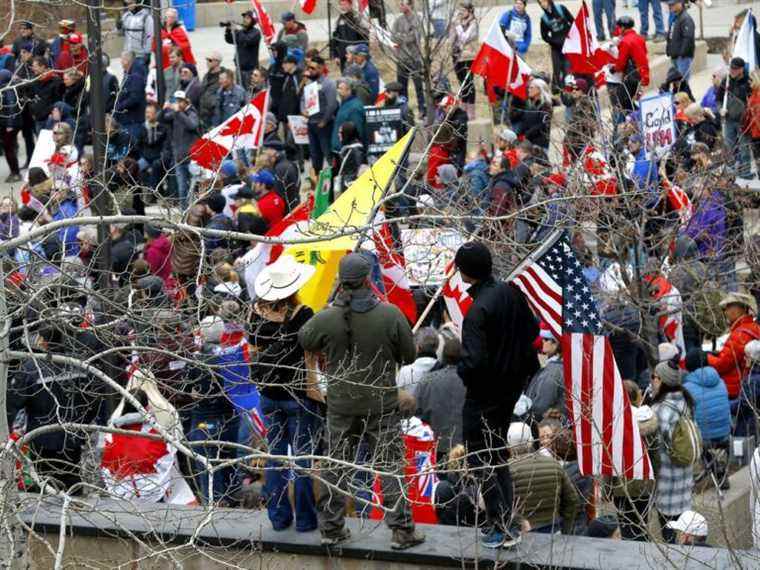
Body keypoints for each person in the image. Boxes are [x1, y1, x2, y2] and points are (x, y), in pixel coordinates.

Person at [299, 253, 424, 550]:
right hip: (381, 404)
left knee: (336, 468)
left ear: (342, 281)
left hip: (341, 406)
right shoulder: (390, 314)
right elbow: (409, 356)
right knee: (390, 467)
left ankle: (331, 529)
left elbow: (305, 339)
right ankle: (402, 532)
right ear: (369, 279)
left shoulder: (328, 317)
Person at [455, 241, 539, 547]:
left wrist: (461, 367)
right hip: (510, 391)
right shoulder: (511, 293)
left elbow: (474, 362)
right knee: (497, 454)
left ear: (464, 273)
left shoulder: (477, 311)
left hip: (484, 396)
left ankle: (501, 526)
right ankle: (508, 518)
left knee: (480, 457)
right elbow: (532, 331)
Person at [250, 255, 319, 531]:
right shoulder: (303, 314)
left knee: (276, 456)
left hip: (268, 395)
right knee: (302, 457)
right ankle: (305, 520)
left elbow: (254, 350)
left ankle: (278, 518)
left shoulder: (253, 315)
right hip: (297, 394)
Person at [650, 360, 694, 544]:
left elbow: (655, 448)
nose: (652, 380)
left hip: (667, 479)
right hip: (685, 473)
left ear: (662, 381)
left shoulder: (659, 410)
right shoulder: (685, 401)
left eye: (655, 377)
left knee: (668, 531)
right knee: (684, 525)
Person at [507, 422, 579, 534]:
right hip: (553, 531)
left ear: (508, 444)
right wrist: (566, 529)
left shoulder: (506, 470)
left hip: (521, 533)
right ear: (531, 441)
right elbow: (572, 500)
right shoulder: (554, 464)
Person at [611, 381, 658, 541]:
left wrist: (606, 488)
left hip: (620, 485)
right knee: (642, 526)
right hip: (644, 481)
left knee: (626, 528)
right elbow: (655, 454)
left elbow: (609, 459)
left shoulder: (614, 422)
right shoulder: (648, 419)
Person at [683, 349, 731, 489]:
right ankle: (718, 468)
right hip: (725, 435)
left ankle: (709, 469)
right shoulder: (720, 381)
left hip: (704, 440)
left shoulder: (687, 388)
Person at [414, 335, 465, 464]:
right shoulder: (474, 381)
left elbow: (416, 415)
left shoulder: (427, 381)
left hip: (435, 448)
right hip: (464, 448)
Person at [159, 90, 200, 209]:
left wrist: (178, 112)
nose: (176, 104)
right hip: (179, 158)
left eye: (179, 101)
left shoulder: (191, 112)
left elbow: (192, 125)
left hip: (193, 158)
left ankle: (194, 212)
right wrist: (164, 109)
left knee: (193, 188)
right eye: (175, 101)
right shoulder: (176, 114)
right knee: (182, 188)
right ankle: (184, 214)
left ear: (185, 101)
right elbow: (162, 120)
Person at [301, 55, 338, 173]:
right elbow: (302, 99)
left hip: (324, 124)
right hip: (311, 123)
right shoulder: (308, 84)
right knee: (315, 155)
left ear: (321, 68)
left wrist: (324, 121)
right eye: (309, 68)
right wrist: (303, 110)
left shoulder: (328, 83)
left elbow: (332, 104)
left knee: (328, 152)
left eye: (313, 68)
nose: (310, 71)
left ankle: (334, 177)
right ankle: (317, 178)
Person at [609, 16, 649, 122]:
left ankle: (641, 119)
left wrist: (614, 69)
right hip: (640, 74)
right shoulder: (639, 38)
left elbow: (621, 63)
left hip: (630, 75)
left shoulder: (625, 41)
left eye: (619, 27)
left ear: (622, 27)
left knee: (624, 103)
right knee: (629, 102)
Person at [717, 57, 752, 179]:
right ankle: (730, 171)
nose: (732, 71)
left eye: (735, 69)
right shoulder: (725, 81)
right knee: (728, 146)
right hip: (729, 119)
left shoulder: (749, 82)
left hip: (743, 121)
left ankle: (745, 172)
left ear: (742, 69)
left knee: (744, 147)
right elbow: (719, 99)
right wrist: (720, 109)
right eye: (731, 68)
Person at [392, 0, 425, 118]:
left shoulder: (417, 19)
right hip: (401, 59)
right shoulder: (397, 21)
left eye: (403, 4)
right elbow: (393, 36)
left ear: (410, 5)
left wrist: (401, 36)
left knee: (418, 86)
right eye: (400, 3)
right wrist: (402, 36)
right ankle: (404, 111)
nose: (400, 6)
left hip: (414, 58)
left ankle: (422, 109)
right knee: (402, 87)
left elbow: (412, 38)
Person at [525, 329, 565, 421]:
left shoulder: (554, 371)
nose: (542, 341)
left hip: (547, 426)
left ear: (556, 343)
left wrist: (522, 415)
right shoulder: (555, 367)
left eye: (547, 339)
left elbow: (541, 406)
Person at [450, 3, 479, 119]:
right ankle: (463, 108)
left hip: (468, 57)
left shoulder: (473, 23)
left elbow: (464, 37)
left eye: (464, 10)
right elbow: (452, 38)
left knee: (469, 83)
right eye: (460, 10)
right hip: (457, 56)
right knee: (462, 83)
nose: (461, 12)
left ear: (470, 11)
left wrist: (457, 26)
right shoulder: (457, 22)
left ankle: (471, 111)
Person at [539, 0, 574, 92]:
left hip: (568, 45)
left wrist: (570, 36)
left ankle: (568, 89)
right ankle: (557, 90)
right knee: (557, 69)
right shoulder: (544, 18)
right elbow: (544, 35)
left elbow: (573, 22)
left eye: (543, 1)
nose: (543, 4)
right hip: (556, 47)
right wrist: (553, 41)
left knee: (567, 68)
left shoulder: (561, 8)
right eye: (540, 3)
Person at [114, 51, 147, 140]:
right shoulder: (130, 75)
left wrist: (118, 107)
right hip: (128, 120)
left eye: (121, 59)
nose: (120, 62)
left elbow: (134, 98)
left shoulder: (135, 76)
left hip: (132, 120)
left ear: (126, 61)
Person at [224, 11, 261, 91]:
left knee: (249, 93)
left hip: (250, 71)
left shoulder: (256, 33)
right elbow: (230, 40)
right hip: (239, 69)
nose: (244, 20)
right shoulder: (241, 32)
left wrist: (237, 30)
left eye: (247, 18)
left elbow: (247, 40)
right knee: (240, 92)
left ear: (253, 21)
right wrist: (228, 30)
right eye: (244, 18)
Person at [397, 327, 439, 393]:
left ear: (417, 347)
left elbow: (395, 397)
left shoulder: (404, 372)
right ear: (436, 347)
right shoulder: (446, 371)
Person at [331, 0, 369, 72]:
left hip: (357, 56)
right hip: (344, 56)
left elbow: (365, 37)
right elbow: (335, 39)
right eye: (341, 5)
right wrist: (336, 55)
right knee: (345, 77)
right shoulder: (338, 20)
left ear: (350, 5)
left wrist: (363, 54)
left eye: (345, 4)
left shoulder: (357, 17)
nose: (342, 7)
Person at [29, 56, 63, 134]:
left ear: (43, 67)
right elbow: (30, 97)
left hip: (51, 119)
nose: (33, 68)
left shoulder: (56, 81)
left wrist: (52, 113)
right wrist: (33, 112)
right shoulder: (34, 81)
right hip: (38, 119)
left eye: (35, 66)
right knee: (41, 144)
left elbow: (59, 99)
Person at [332, 78, 366, 156]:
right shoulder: (345, 103)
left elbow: (357, 131)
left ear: (349, 90)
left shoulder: (354, 107)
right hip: (341, 149)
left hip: (348, 152)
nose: (338, 91)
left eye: (340, 88)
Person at [0, 69, 22, 182]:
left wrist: (10, 124)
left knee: (9, 149)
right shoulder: (7, 87)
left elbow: (11, 106)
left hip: (10, 125)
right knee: (8, 148)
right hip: (7, 123)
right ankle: (14, 172)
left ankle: (16, 173)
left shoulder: (8, 89)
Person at [666, 0, 696, 83]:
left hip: (683, 57)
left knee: (682, 83)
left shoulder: (686, 18)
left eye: (673, 4)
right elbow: (671, 36)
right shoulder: (675, 18)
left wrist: (682, 54)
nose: (670, 6)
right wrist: (669, 51)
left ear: (680, 3)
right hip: (675, 56)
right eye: (670, 5)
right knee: (676, 83)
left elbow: (688, 38)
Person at [119, 0, 154, 65]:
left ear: (137, 2)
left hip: (140, 55)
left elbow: (150, 36)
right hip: (128, 55)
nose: (129, 5)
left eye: (131, 3)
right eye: (127, 4)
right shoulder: (126, 16)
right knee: (127, 75)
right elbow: (121, 33)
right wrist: (119, 26)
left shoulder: (146, 17)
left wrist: (147, 52)